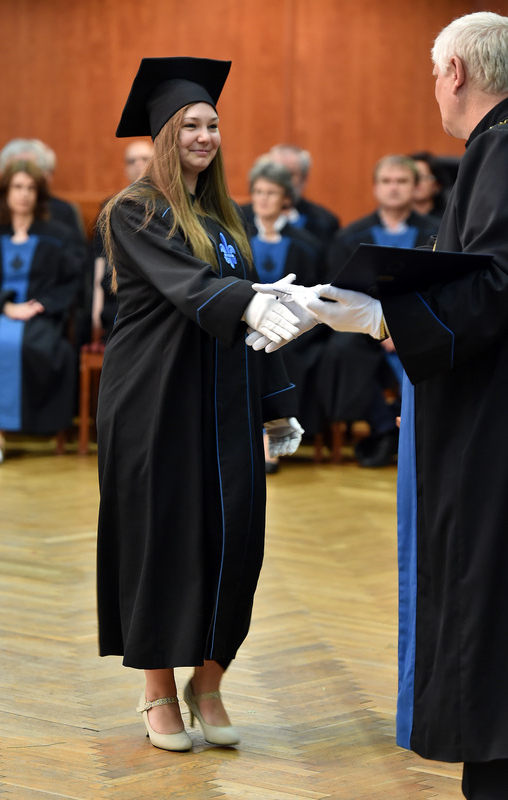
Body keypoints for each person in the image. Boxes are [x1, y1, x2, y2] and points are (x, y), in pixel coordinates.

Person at [257, 12, 508, 798]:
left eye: (434, 74)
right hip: (480, 405)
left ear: (455, 73)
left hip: (488, 422)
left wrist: (382, 317)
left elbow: (494, 285)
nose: (433, 88)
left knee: (482, 586)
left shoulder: (499, 147)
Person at [95, 56, 305, 753]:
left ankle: (208, 682)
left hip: (226, 401)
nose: (205, 136)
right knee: (161, 541)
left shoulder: (226, 215)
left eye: (213, 124)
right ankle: (157, 689)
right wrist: (256, 299)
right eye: (190, 125)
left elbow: (254, 319)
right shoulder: (134, 210)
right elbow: (191, 288)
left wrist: (276, 402)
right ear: (164, 134)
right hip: (155, 401)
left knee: (235, 540)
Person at [318, 154, 439, 467]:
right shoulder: (350, 236)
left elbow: (441, 287)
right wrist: (380, 327)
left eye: (402, 181)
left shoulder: (438, 233)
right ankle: (384, 424)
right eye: (386, 181)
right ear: (375, 187)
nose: (393, 188)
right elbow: (340, 291)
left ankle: (406, 428)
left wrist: (401, 326)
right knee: (340, 350)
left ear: (416, 187)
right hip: (362, 326)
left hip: (421, 322)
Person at [0, 160, 82, 464]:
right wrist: (5, 305)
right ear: (5, 193)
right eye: (17, 187)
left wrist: (40, 304)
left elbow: (71, 282)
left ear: (39, 194)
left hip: (39, 314)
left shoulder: (59, 235)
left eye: (31, 188)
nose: (24, 194)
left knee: (30, 345)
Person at [246, 156, 328, 469]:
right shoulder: (236, 234)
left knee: (283, 352)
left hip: (294, 329)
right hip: (245, 322)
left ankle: (273, 436)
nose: (263, 199)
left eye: (271, 192)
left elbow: (315, 294)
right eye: (258, 192)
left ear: (286, 199)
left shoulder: (307, 244)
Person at [91, 140, 153, 342]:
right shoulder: (111, 207)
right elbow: (100, 261)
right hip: (120, 299)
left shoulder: (172, 205)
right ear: (125, 169)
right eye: (131, 161)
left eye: (145, 159)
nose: (138, 164)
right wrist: (96, 310)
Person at [242, 143, 340, 251]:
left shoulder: (323, 223)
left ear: (304, 178)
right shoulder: (240, 217)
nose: (282, 179)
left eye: (290, 173)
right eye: (275, 172)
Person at [409, 150, 450, 219]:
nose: (416, 181)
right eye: (412, 177)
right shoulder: (397, 220)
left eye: (421, 177)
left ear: (437, 185)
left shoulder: (447, 220)